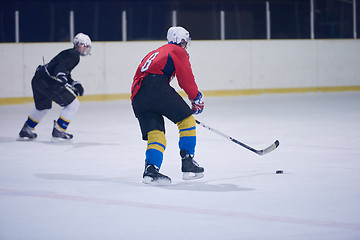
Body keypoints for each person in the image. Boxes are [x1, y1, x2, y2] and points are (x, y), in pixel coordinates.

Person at [131, 26, 205, 185]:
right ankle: (188, 163)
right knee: (187, 121)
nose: (186, 45)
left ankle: (150, 171)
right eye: (185, 41)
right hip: (156, 87)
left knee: (156, 134)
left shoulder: (156, 51)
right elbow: (185, 78)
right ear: (181, 41)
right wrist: (195, 97)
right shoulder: (177, 50)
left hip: (137, 96)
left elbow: (139, 77)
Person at [17, 33, 91, 141]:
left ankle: (26, 129)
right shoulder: (74, 55)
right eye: (85, 46)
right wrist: (61, 75)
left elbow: (61, 68)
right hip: (48, 82)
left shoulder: (68, 52)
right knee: (73, 105)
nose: (86, 49)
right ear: (79, 44)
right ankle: (59, 130)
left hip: (38, 79)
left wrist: (73, 83)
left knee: (43, 107)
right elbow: (61, 69)